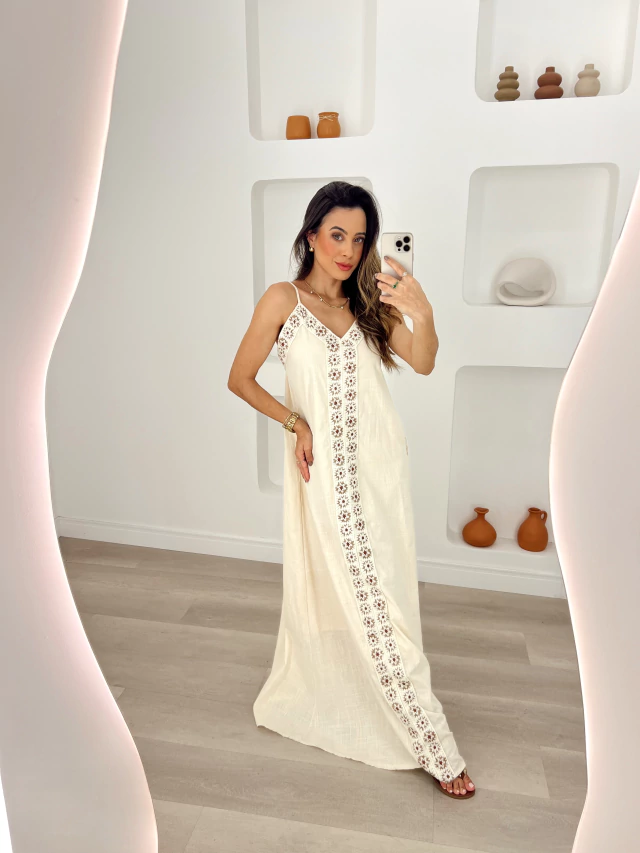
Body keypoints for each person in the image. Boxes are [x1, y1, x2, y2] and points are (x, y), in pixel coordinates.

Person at [227, 181, 475, 798]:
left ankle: (397, 707)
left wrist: (422, 312)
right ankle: (434, 744)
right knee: (371, 596)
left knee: (388, 595)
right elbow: (240, 378)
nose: (348, 250)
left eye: (359, 239)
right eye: (337, 235)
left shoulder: (371, 304)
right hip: (326, 476)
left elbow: (423, 361)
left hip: (382, 469)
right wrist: (295, 422)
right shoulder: (283, 299)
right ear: (311, 235)